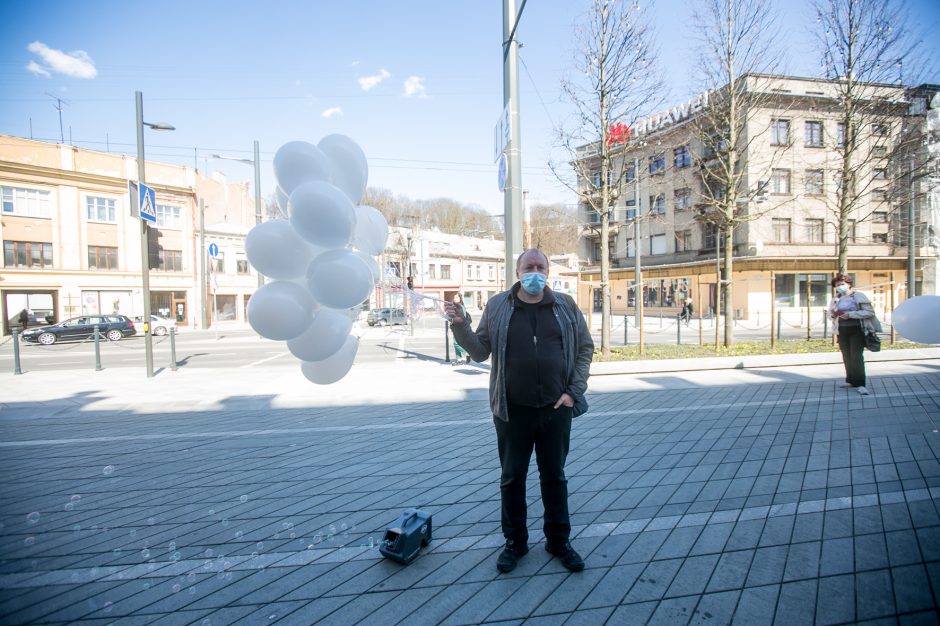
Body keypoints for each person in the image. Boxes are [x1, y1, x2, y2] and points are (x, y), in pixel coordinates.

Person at [446, 249, 594, 574]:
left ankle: (558, 540)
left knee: (554, 477)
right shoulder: (498, 305)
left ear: (548, 271)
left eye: (541, 267)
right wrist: (459, 327)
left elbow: (585, 348)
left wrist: (573, 392)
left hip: (557, 409)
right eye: (529, 267)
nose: (535, 272)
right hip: (512, 411)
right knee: (512, 478)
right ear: (517, 271)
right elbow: (481, 351)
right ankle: (515, 542)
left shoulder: (565, 306)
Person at [829, 273, 876, 395]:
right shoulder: (836, 298)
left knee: (856, 356)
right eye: (837, 285)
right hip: (842, 330)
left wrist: (850, 315)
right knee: (846, 355)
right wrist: (833, 315)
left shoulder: (858, 296)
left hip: (857, 328)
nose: (840, 286)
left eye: (842, 284)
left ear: (849, 284)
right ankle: (850, 380)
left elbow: (869, 312)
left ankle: (860, 384)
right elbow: (830, 313)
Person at [451, 294, 472, 365]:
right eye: (454, 297)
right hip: (456, 326)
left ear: (460, 298)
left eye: (457, 297)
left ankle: (468, 353)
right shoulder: (455, 306)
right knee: (456, 343)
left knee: (456, 343)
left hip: (460, 327)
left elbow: (462, 318)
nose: (455, 298)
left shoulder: (460, 306)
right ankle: (459, 360)